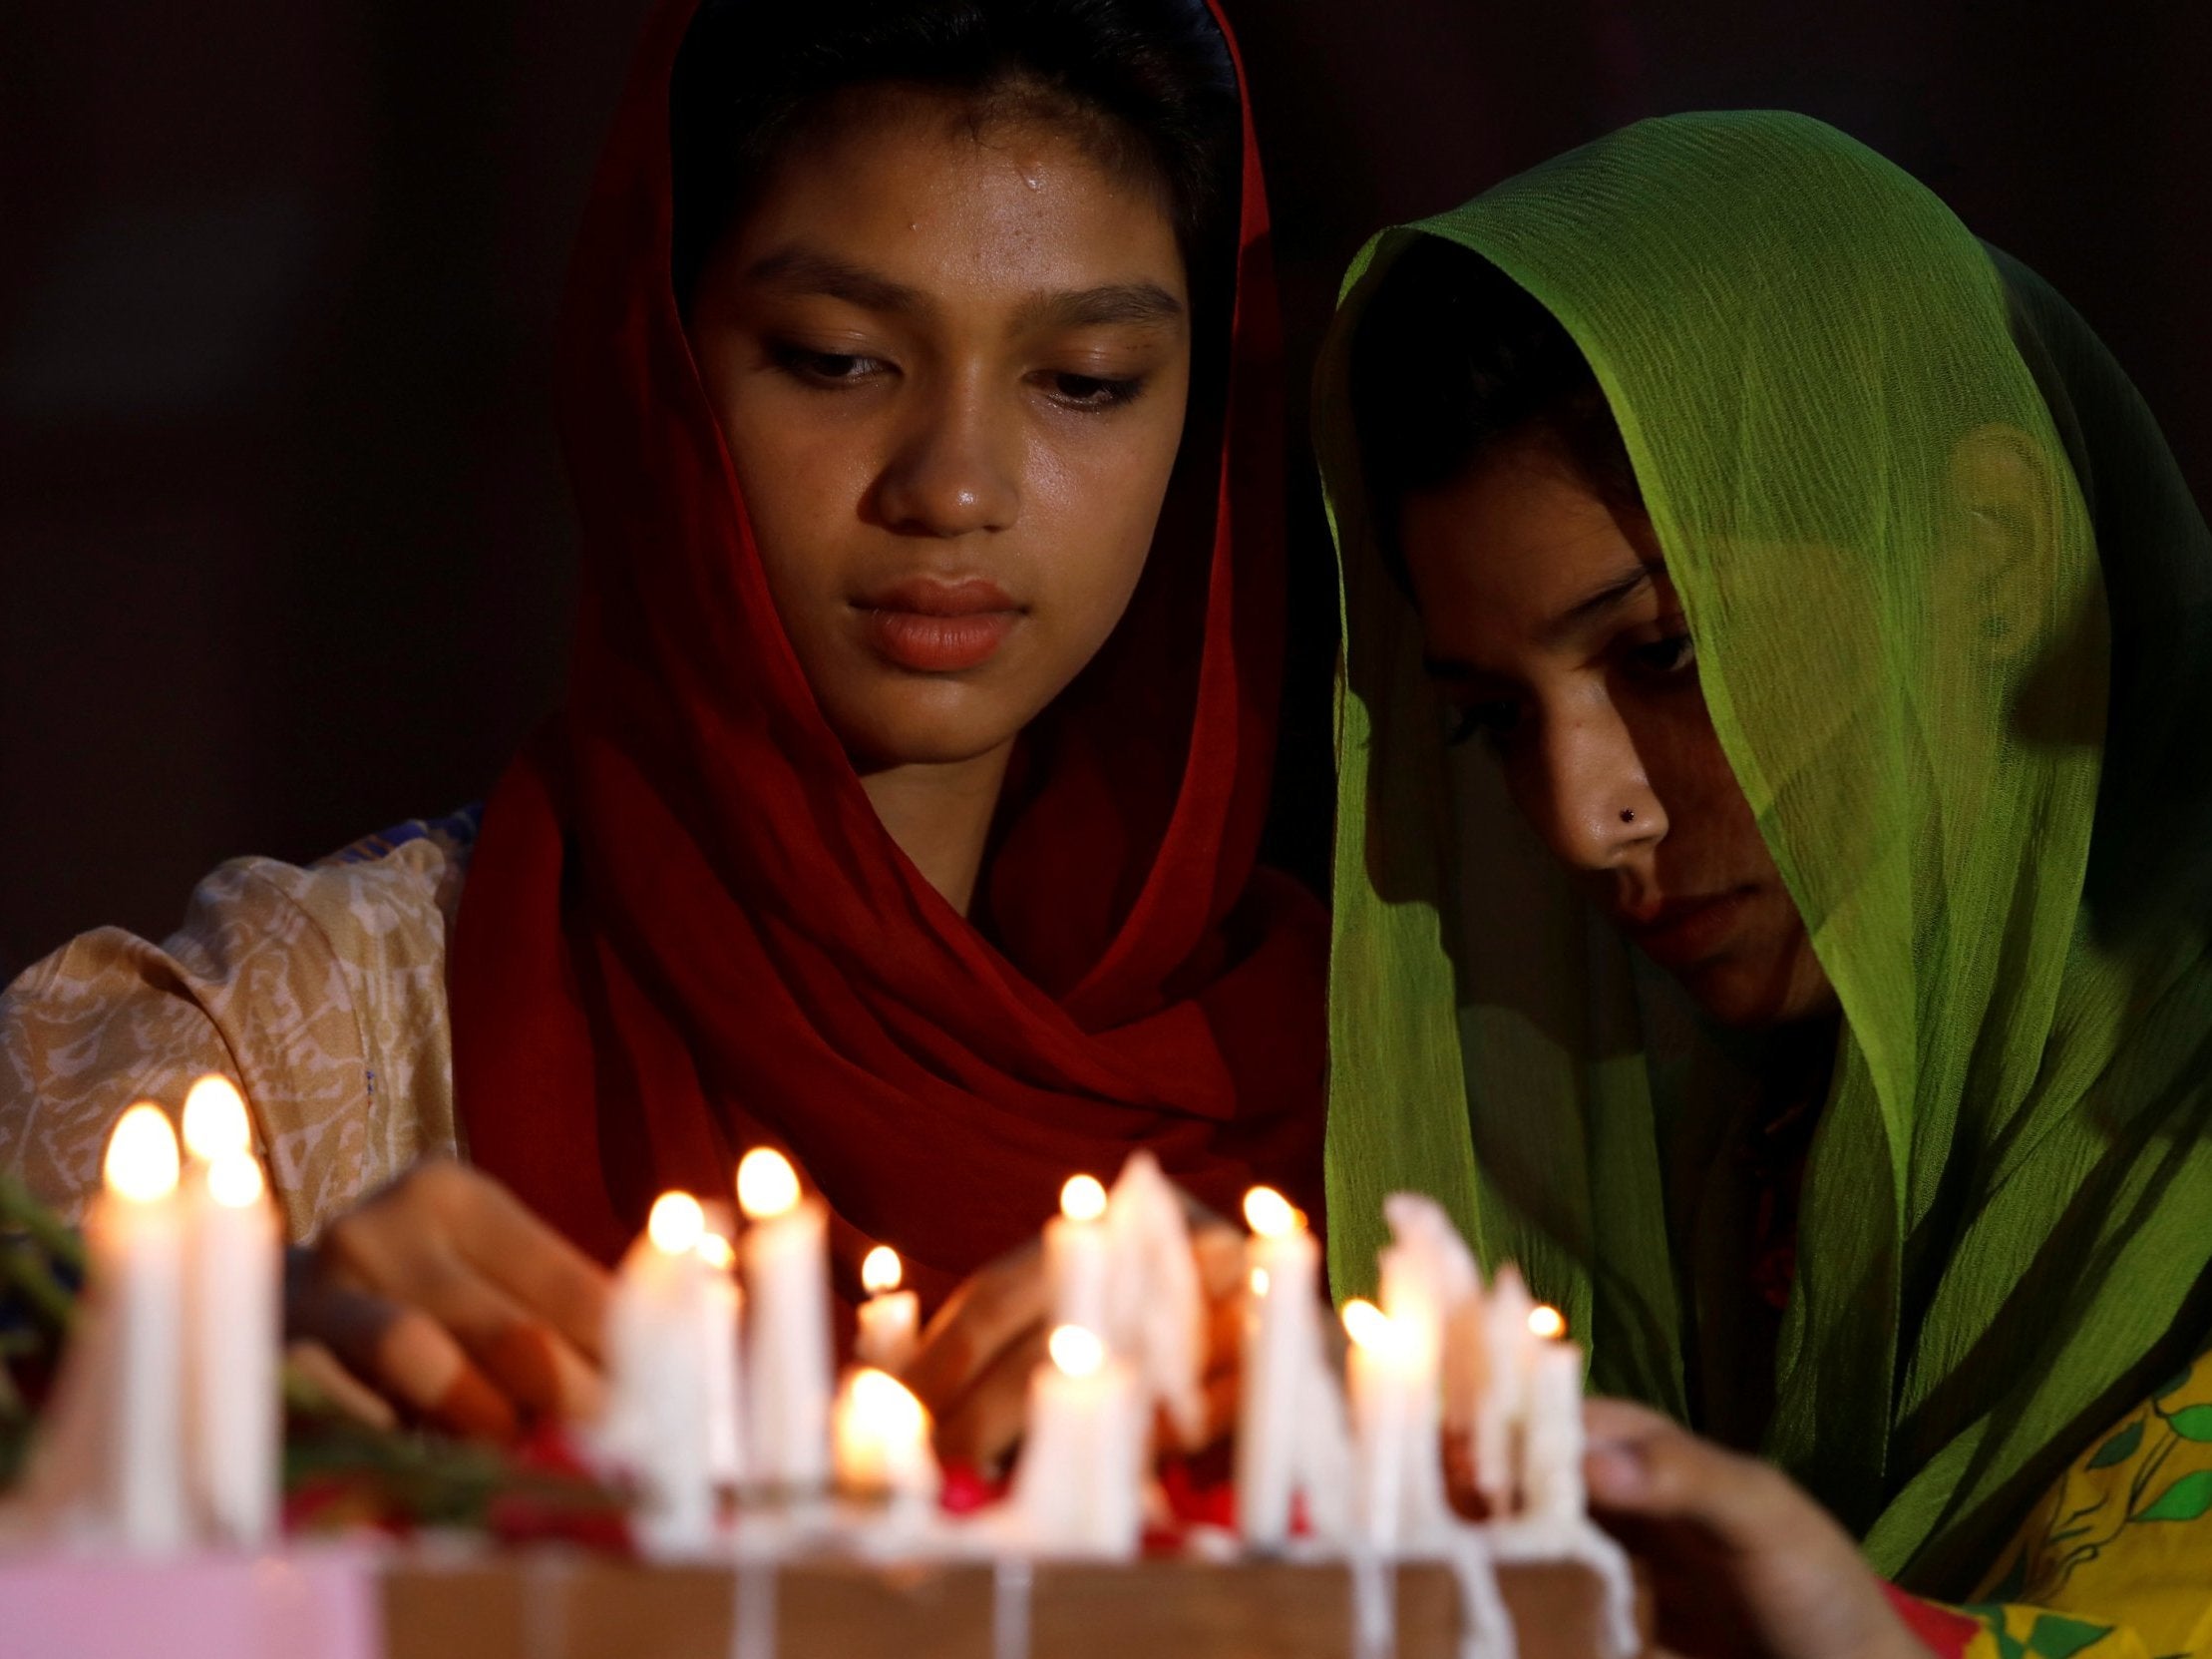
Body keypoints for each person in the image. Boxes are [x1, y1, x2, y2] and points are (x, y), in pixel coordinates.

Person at [0, 0, 1323, 1460]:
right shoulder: (278, 1062)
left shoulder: (1349, 1079)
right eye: (836, 357)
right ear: (659, 369)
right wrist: (208, 1403)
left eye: (1083, 382)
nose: (954, 487)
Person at [1323, 112, 2212, 1658]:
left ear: (1993, 555)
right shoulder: (1709, 1165)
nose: (1581, 814)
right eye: (1490, 717)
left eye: (1665, 655)